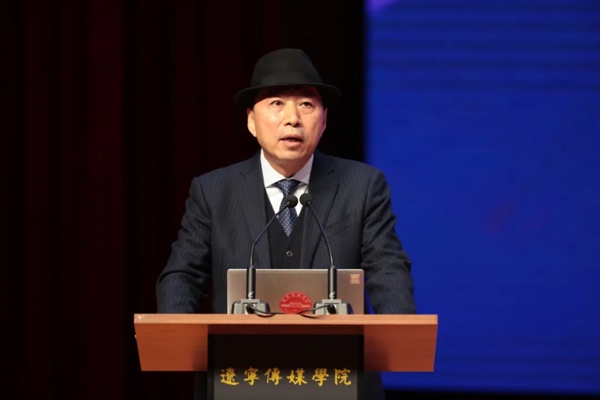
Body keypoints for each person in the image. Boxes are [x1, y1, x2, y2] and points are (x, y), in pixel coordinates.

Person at [156, 48, 416, 400]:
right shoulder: (213, 191)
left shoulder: (363, 185)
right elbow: (184, 273)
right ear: (251, 121)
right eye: (277, 103)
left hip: (338, 379)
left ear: (324, 120)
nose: (292, 118)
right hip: (241, 379)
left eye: (306, 105)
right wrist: (174, 332)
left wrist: (401, 330)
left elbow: (386, 266)